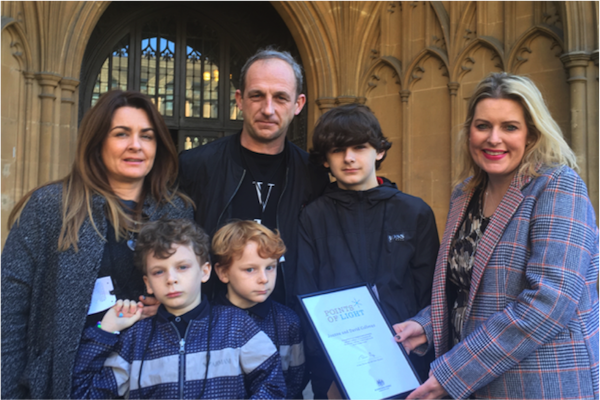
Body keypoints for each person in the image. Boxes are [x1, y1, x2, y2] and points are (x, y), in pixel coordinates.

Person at [394, 72, 600, 400]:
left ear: (531, 134)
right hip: (477, 385)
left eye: (509, 127)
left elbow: (550, 301)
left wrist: (455, 372)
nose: (493, 138)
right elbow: (468, 290)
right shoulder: (467, 193)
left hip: (541, 385)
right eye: (482, 126)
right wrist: (427, 326)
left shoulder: (558, 186)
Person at [0, 90, 193, 400]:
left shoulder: (177, 212)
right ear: (97, 142)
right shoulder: (52, 207)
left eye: (147, 136)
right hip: (64, 382)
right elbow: (8, 310)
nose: (136, 145)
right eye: (121, 134)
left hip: (156, 381)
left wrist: (171, 306)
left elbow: (195, 300)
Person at [296, 103, 439, 398]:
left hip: (407, 362)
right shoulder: (313, 216)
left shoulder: (415, 212)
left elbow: (432, 295)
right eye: (337, 150)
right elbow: (307, 294)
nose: (349, 158)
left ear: (379, 151)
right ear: (325, 159)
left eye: (360, 147)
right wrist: (328, 372)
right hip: (336, 371)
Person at [178, 47, 330, 306]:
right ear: (239, 99)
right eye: (257, 95)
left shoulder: (314, 174)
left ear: (298, 104)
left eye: (280, 97)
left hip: (291, 322)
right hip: (210, 323)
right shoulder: (195, 165)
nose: (268, 109)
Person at [72, 219, 286, 399]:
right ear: (147, 283)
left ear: (205, 271)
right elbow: (84, 394)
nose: (171, 279)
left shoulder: (236, 325)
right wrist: (105, 331)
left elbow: (273, 386)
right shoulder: (136, 339)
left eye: (182, 267)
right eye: (158, 272)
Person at [212, 220, 305, 400]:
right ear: (223, 272)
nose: (264, 279)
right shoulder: (206, 322)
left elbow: (295, 382)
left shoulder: (288, 322)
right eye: (250, 269)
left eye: (270, 267)